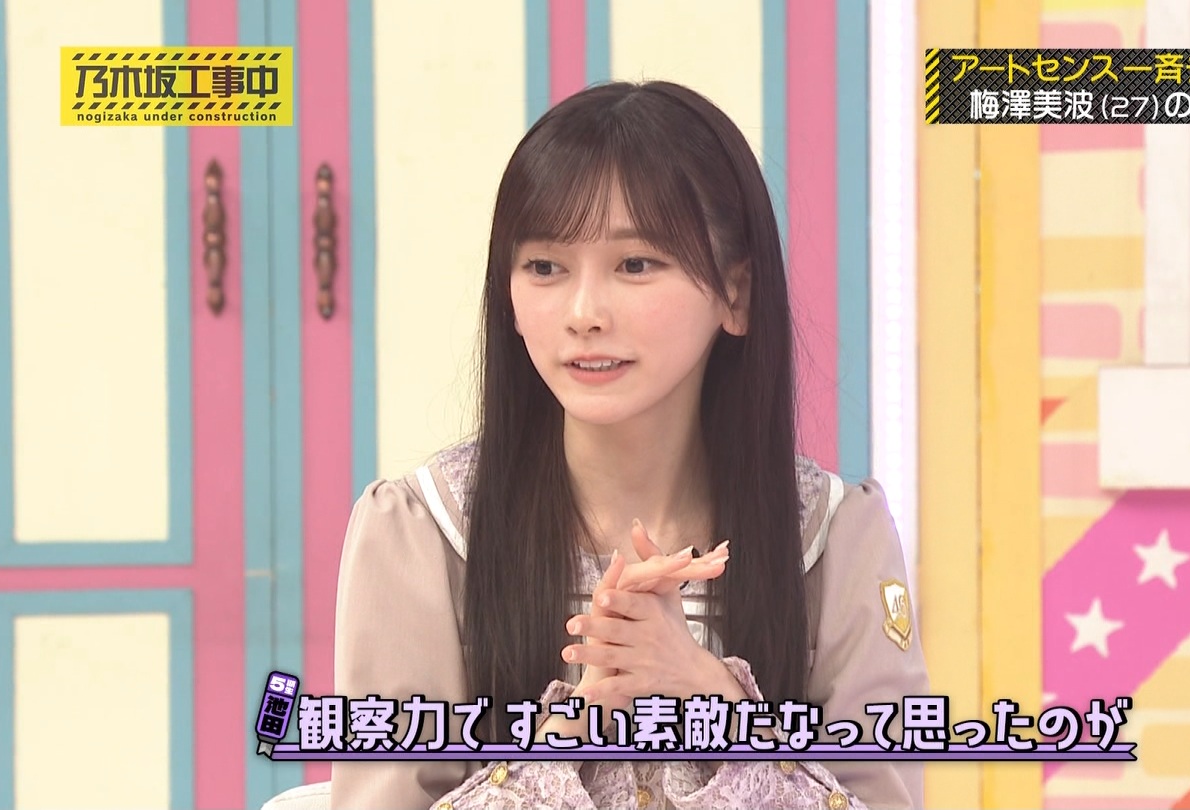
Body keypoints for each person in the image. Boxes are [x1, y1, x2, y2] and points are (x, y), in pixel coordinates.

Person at [330, 80, 930, 810]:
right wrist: (571, 733)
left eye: (635, 264)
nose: (584, 313)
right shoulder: (424, 533)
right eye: (544, 267)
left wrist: (716, 704)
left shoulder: (835, 538)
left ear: (736, 295)